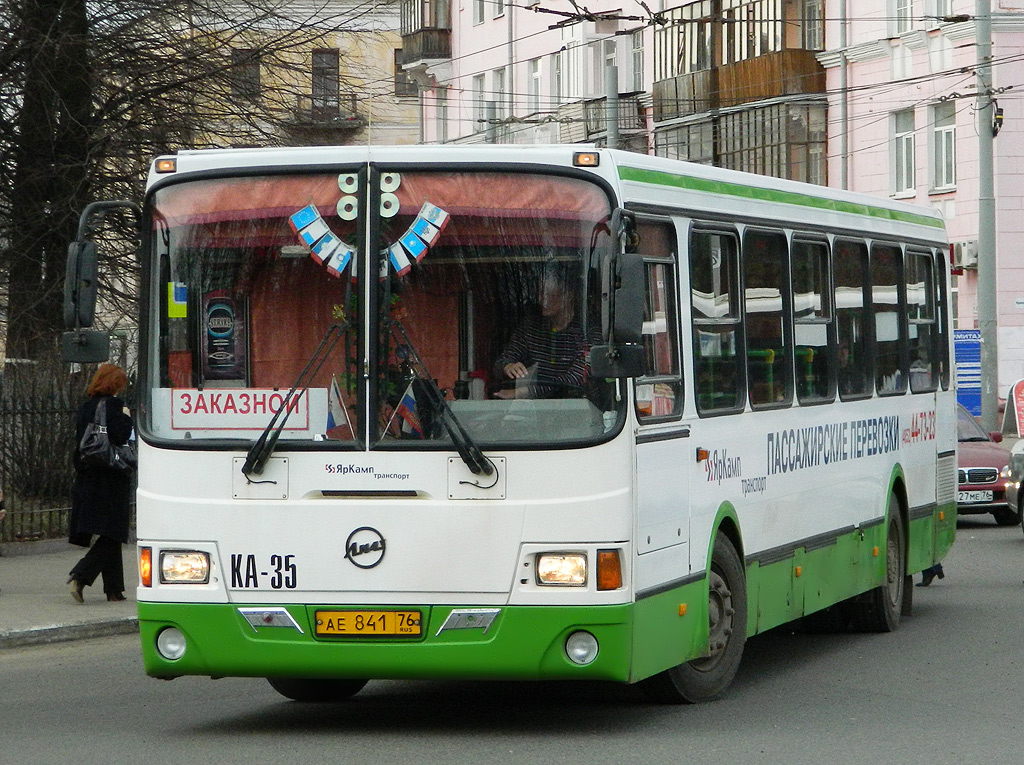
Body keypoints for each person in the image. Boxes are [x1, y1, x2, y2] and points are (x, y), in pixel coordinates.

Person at [67, 363, 134, 603]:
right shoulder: (116, 406)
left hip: (90, 475)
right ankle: (81, 574)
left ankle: (114, 590)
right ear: (115, 384)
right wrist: (127, 418)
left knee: (110, 532)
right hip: (112, 474)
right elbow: (121, 435)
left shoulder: (86, 407)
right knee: (113, 531)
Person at [493, 269, 596, 399]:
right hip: (534, 410)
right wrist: (507, 366)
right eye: (540, 294)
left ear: (569, 295)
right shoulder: (531, 328)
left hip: (577, 407)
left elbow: (575, 378)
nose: (541, 300)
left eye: (548, 294)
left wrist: (521, 392)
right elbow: (501, 362)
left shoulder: (589, 332)